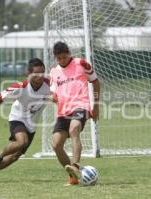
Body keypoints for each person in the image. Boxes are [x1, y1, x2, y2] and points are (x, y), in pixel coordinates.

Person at [0, 58, 55, 182]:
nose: (40, 77)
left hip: (31, 124)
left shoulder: (49, 85)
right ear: (29, 73)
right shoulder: (20, 87)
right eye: (36, 74)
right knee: (22, 142)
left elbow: (60, 92)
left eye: (42, 73)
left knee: (14, 157)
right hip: (17, 118)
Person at [49, 41, 100, 185]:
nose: (62, 60)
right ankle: (73, 176)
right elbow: (52, 92)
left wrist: (95, 106)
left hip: (81, 106)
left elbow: (96, 82)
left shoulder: (81, 63)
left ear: (69, 53)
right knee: (56, 145)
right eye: (59, 58)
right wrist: (52, 96)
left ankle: (76, 165)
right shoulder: (54, 71)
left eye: (64, 57)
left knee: (74, 129)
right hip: (63, 111)